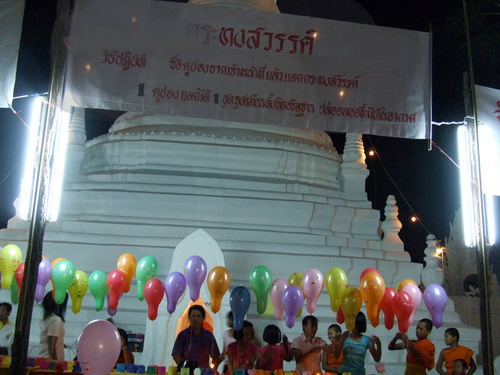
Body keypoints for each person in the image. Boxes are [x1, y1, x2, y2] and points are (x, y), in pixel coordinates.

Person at [172, 305, 220, 369]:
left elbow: (216, 355)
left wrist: (213, 371)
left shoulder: (209, 336)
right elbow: (176, 354)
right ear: (189, 317)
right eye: (193, 316)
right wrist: (184, 367)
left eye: (198, 316)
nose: (195, 319)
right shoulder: (183, 335)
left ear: (203, 318)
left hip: (203, 372)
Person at [39, 291, 68, 360]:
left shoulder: (49, 318)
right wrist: (55, 362)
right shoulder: (56, 320)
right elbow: (51, 344)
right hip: (49, 362)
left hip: (46, 359)